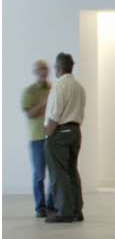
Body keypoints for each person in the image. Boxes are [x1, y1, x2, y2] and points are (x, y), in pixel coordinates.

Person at [42, 51, 86, 223]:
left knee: (58, 174)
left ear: (58, 68)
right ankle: (76, 210)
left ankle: (64, 211)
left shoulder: (59, 86)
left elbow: (54, 114)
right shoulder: (79, 87)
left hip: (59, 133)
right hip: (75, 132)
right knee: (72, 171)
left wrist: (48, 133)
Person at [21, 58, 51, 217]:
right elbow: (30, 114)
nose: (43, 71)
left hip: (52, 137)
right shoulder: (29, 92)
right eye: (40, 69)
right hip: (37, 139)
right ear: (35, 72)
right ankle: (40, 208)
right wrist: (43, 103)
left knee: (54, 174)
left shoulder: (54, 89)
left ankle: (52, 206)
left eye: (45, 68)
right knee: (39, 175)